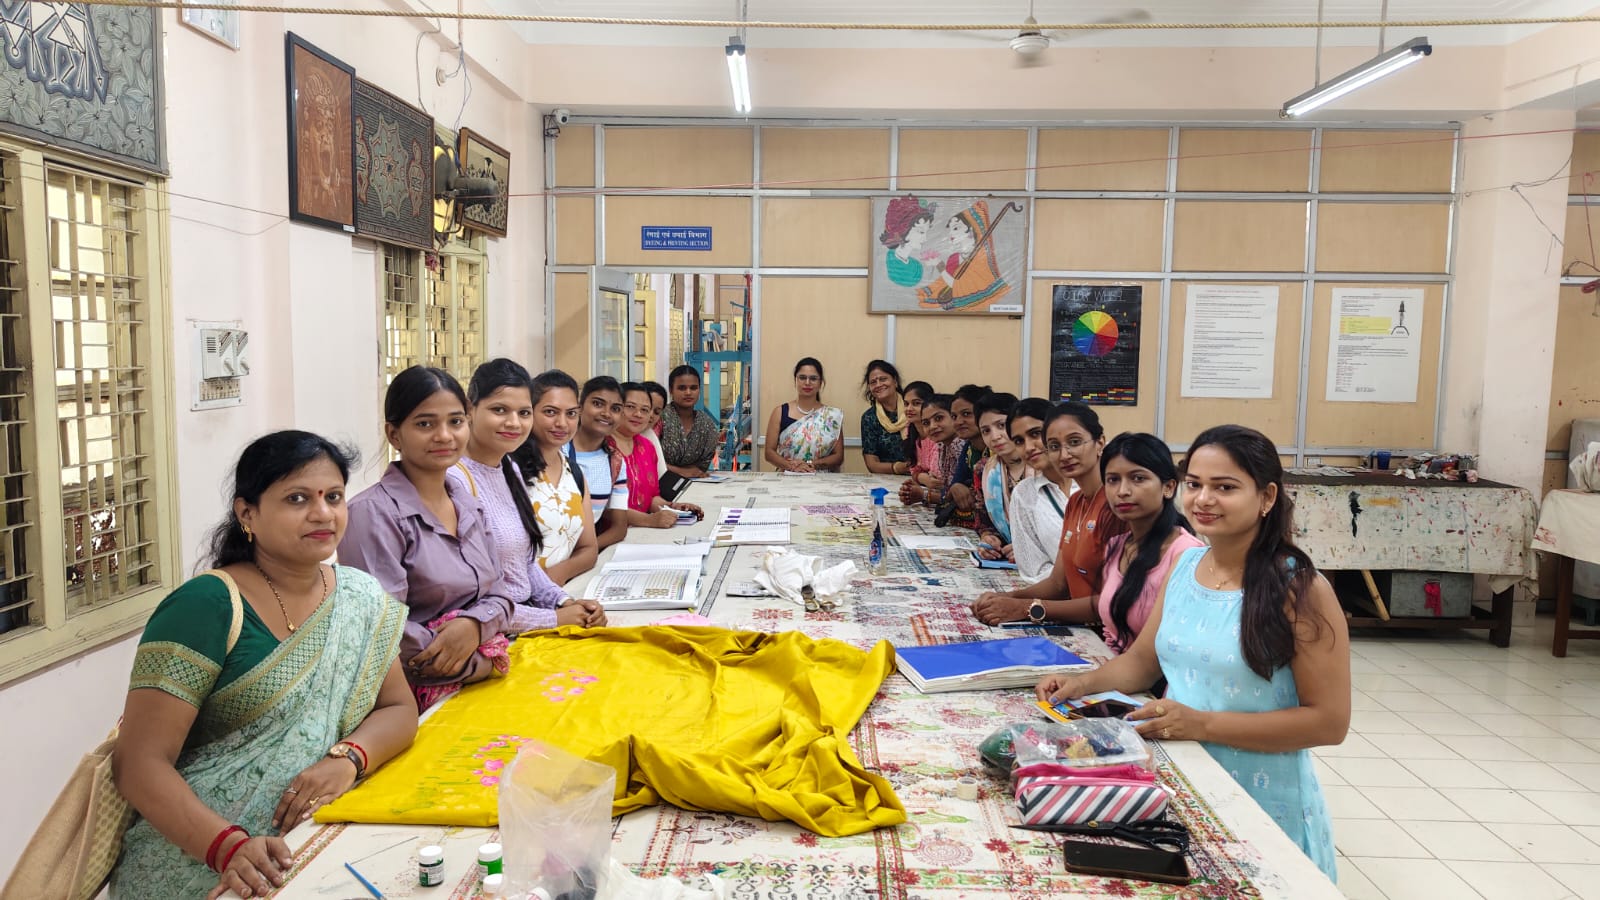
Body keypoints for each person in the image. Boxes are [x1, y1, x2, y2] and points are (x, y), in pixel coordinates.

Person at [110, 432, 415, 900]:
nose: (323, 513)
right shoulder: (207, 604)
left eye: (333, 497)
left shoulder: (358, 595)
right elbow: (138, 764)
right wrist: (227, 847)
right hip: (199, 862)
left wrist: (348, 759)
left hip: (314, 843)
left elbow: (399, 709)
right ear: (247, 513)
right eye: (297, 499)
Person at [1037, 425, 1348, 880]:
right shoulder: (1186, 565)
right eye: (1195, 484)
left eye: (1225, 487)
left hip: (1262, 798)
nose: (1203, 500)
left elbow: (1329, 722)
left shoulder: (1299, 588)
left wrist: (1202, 725)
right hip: (1183, 778)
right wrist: (1080, 683)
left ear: (1266, 497)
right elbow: (1143, 662)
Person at [341, 366, 517, 708]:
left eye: (455, 421)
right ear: (394, 435)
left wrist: (474, 626)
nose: (444, 436)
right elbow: (384, 626)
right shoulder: (372, 514)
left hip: (479, 680)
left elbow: (501, 595)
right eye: (425, 424)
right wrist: (479, 663)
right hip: (408, 698)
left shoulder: (467, 504)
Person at [449, 359, 607, 635]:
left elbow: (524, 564)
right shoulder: (455, 480)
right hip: (491, 634)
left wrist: (565, 602)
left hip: (524, 621)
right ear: (470, 409)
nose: (513, 422)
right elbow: (471, 601)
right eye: (499, 410)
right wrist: (555, 618)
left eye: (523, 413)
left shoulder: (507, 468)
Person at [971, 402, 1125, 625]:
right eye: (1054, 446)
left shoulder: (1119, 501)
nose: (1065, 454)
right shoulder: (1076, 503)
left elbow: (1118, 601)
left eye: (1074, 442)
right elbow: (1059, 583)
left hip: (1120, 631)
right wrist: (1005, 598)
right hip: (1090, 624)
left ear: (1100, 442)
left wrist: (1027, 608)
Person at [1095, 433, 1205, 653]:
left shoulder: (1186, 554)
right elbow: (1112, 633)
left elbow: (1179, 646)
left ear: (1168, 487)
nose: (1122, 491)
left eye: (1138, 478)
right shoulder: (1116, 546)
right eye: (1113, 480)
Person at [507, 369, 599, 586]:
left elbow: (589, 548)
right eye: (550, 412)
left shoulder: (574, 472)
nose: (562, 423)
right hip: (517, 598)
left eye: (571, 414)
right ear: (529, 412)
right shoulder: (509, 470)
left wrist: (558, 574)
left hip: (561, 594)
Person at [609, 381, 705, 527]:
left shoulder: (647, 447)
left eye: (645, 410)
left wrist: (672, 507)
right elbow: (602, 505)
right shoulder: (601, 446)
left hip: (641, 532)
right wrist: (649, 520)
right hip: (608, 534)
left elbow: (652, 497)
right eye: (630, 407)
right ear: (616, 408)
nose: (638, 414)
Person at [1004, 398, 1074, 580]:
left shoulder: (1097, 481)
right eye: (1019, 441)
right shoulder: (1024, 495)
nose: (1028, 447)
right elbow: (1033, 571)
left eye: (1035, 434)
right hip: (1063, 594)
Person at [916, 200, 1012, 311]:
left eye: (956, 228)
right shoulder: (954, 258)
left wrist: (939, 265)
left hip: (976, 306)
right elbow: (948, 284)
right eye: (950, 229)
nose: (951, 233)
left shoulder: (981, 258)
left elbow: (959, 287)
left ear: (970, 229)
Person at [570, 375, 631, 549]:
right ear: (580, 407)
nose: (606, 413)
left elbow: (619, 528)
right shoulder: (557, 452)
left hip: (580, 557)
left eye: (615, 409)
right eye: (597, 404)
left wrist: (585, 552)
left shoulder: (615, 462)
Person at [971, 392, 1027, 562]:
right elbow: (984, 523)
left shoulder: (1045, 466)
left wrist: (1031, 548)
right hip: (1009, 558)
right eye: (986, 431)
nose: (995, 436)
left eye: (1001, 425)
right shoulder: (985, 470)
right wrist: (989, 540)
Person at [764, 357, 845, 473]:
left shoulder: (831, 416)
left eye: (813, 378)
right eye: (802, 377)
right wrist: (791, 466)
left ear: (820, 383)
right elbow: (769, 453)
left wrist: (810, 464)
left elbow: (838, 457)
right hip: (788, 477)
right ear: (795, 380)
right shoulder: (780, 412)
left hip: (822, 479)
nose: (807, 382)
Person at [900, 393, 965, 507]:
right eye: (926, 423)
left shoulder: (961, 445)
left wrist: (924, 495)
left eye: (939, 418)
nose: (932, 426)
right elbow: (948, 491)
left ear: (954, 417)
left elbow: (958, 497)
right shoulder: (943, 446)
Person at [659, 364, 721, 478]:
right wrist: (681, 471)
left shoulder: (706, 424)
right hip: (657, 482)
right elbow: (647, 459)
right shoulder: (659, 418)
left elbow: (701, 466)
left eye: (693, 388)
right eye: (682, 388)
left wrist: (690, 472)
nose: (688, 392)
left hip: (696, 483)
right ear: (671, 390)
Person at [945, 384, 992, 527]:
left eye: (966, 414)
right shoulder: (969, 448)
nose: (958, 422)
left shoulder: (997, 451)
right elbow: (953, 488)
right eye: (954, 417)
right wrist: (955, 487)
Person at [859, 359, 912, 475]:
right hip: (887, 478)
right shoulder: (869, 418)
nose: (878, 385)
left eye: (883, 379)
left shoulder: (912, 409)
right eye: (873, 382)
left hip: (921, 476)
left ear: (895, 381)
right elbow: (872, 464)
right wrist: (897, 468)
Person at [878, 195, 936, 288]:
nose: (925, 239)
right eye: (921, 232)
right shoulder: (892, 266)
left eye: (926, 232)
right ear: (903, 231)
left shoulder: (916, 265)